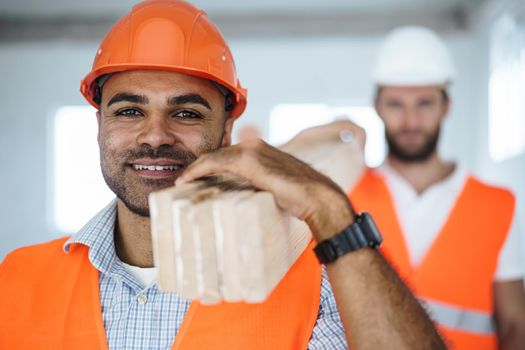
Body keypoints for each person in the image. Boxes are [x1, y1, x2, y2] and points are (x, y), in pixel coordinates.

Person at [0, 2, 445, 349]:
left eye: (187, 112)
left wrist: (329, 209)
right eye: (130, 110)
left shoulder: (311, 275)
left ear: (227, 128)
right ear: (99, 124)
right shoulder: (17, 277)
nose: (155, 136)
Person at [348, 26, 525, 349]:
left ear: (446, 106)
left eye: (424, 104)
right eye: (396, 104)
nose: (411, 121)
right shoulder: (347, 195)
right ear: (377, 107)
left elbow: (515, 323)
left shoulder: (497, 205)